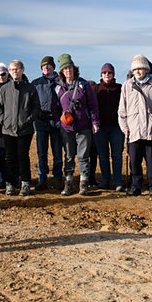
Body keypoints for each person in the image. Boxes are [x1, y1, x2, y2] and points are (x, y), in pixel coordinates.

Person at [118, 55, 152, 196]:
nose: (138, 71)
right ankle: (136, 186)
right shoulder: (127, 86)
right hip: (133, 130)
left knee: (151, 161)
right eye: (136, 69)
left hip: (151, 130)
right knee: (134, 160)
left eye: (141, 68)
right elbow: (122, 110)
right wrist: (124, 127)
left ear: (146, 69)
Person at [51, 53, 100, 196]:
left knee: (83, 156)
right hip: (66, 128)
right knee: (69, 156)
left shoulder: (84, 85)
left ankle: (83, 184)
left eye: (70, 68)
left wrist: (95, 122)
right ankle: (69, 183)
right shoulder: (57, 88)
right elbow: (54, 107)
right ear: (61, 71)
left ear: (74, 68)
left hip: (83, 126)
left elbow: (93, 105)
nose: (68, 71)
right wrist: (58, 122)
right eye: (65, 68)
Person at [0, 60, 40, 196]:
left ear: (22, 70)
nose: (15, 71)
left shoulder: (30, 88)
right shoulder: (4, 89)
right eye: (12, 69)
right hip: (8, 129)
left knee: (22, 156)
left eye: (17, 69)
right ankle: (10, 184)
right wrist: (4, 119)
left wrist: (27, 121)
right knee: (9, 158)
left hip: (25, 130)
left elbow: (36, 107)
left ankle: (25, 183)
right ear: (9, 71)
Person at [31, 55, 64, 191]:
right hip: (41, 122)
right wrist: (36, 114)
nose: (46, 67)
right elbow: (31, 103)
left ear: (53, 67)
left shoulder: (61, 82)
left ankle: (57, 178)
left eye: (48, 65)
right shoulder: (36, 83)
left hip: (56, 122)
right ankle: (42, 179)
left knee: (57, 152)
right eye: (44, 66)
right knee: (41, 153)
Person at [93, 63, 125, 191]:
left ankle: (117, 181)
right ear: (101, 74)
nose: (107, 75)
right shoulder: (96, 89)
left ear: (113, 74)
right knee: (103, 155)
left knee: (117, 155)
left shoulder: (120, 88)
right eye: (105, 73)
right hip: (100, 128)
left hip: (116, 128)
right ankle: (106, 180)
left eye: (109, 73)